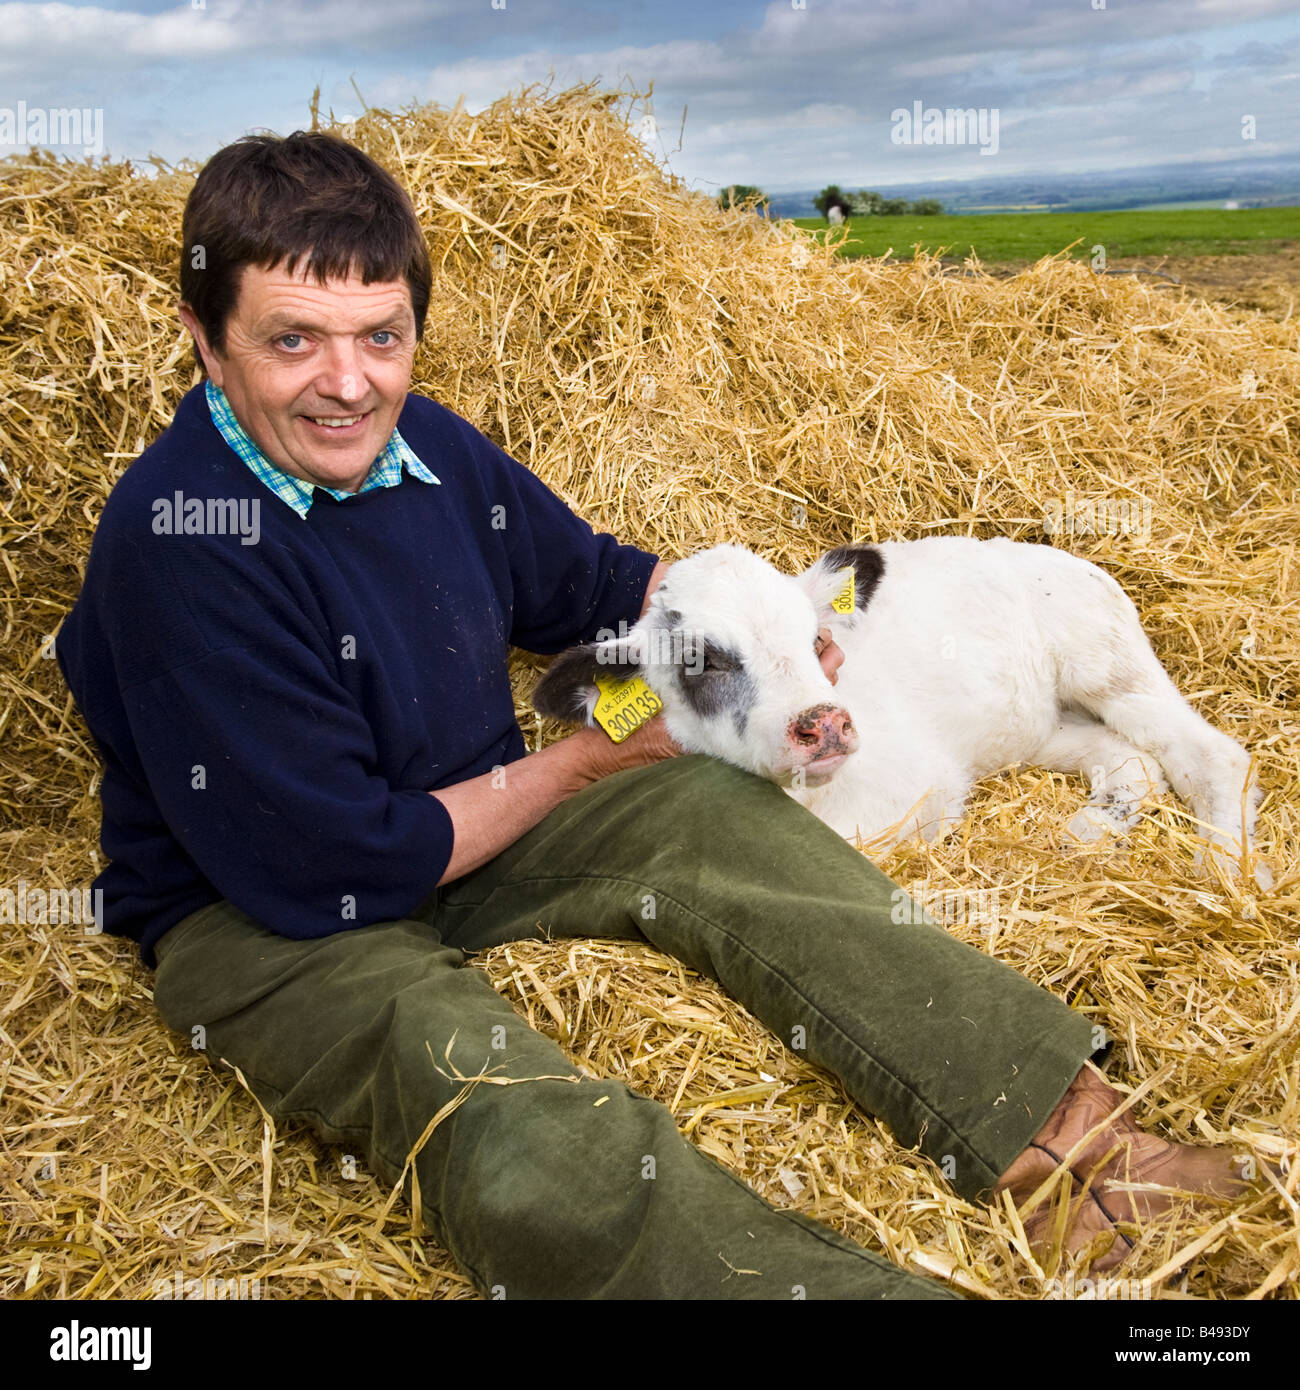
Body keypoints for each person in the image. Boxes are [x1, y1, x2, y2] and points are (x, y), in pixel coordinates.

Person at [55, 130, 1252, 1300]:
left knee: (717, 812)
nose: (350, 380)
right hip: (273, 913)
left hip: (473, 827)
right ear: (206, 343)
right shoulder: (186, 541)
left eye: (382, 335)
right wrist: (578, 766)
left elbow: (601, 579)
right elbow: (331, 863)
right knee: (486, 1094)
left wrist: (772, 632)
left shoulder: (426, 452)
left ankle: (1087, 1154)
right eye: (293, 341)